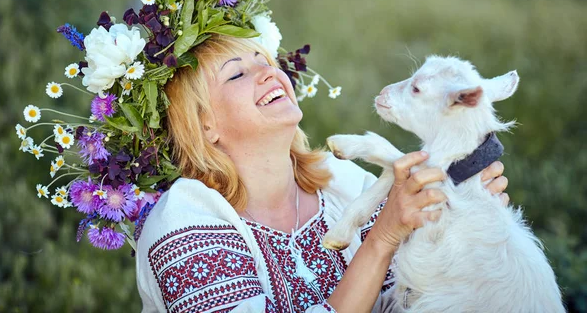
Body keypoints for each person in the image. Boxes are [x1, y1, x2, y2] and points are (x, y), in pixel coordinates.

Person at [135, 35, 509, 312]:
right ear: (204, 127)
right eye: (237, 75)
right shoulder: (183, 219)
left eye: (264, 59)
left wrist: (465, 211)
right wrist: (382, 238)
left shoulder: (340, 181)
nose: (269, 72)